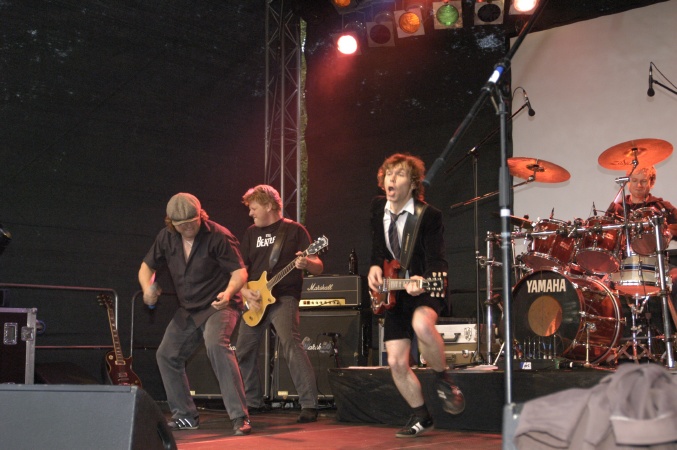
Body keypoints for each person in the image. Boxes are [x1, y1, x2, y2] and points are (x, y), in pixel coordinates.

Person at [367, 153, 465, 439]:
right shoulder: (377, 208)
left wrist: (424, 278)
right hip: (395, 291)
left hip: (424, 287)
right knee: (396, 362)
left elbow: (438, 260)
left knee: (422, 326)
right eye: (388, 174)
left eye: (399, 174)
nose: (391, 179)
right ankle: (421, 415)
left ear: (412, 183)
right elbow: (378, 248)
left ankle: (443, 378)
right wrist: (374, 267)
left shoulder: (429, 215)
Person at [138, 193, 252, 436]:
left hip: (219, 304)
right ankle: (185, 415)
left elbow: (240, 272)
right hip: (189, 308)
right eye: (182, 225)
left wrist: (228, 292)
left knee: (216, 344)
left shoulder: (219, 236)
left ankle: (240, 416)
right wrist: (147, 288)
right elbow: (147, 267)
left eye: (193, 222)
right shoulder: (166, 237)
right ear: (172, 223)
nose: (188, 228)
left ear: (201, 215)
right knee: (166, 354)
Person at [236, 184, 324, 423]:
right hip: (255, 299)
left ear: (268, 206)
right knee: (243, 349)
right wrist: (245, 291)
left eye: (254, 208)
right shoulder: (250, 233)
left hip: (284, 296)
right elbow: (240, 270)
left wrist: (307, 264)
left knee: (290, 344)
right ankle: (253, 401)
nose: (250, 213)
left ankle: (309, 404)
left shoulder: (294, 230)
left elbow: (317, 265)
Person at [605, 165, 677, 227]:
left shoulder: (663, 207)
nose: (639, 185)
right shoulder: (616, 209)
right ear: (628, 182)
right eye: (634, 180)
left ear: (651, 183)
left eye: (643, 181)